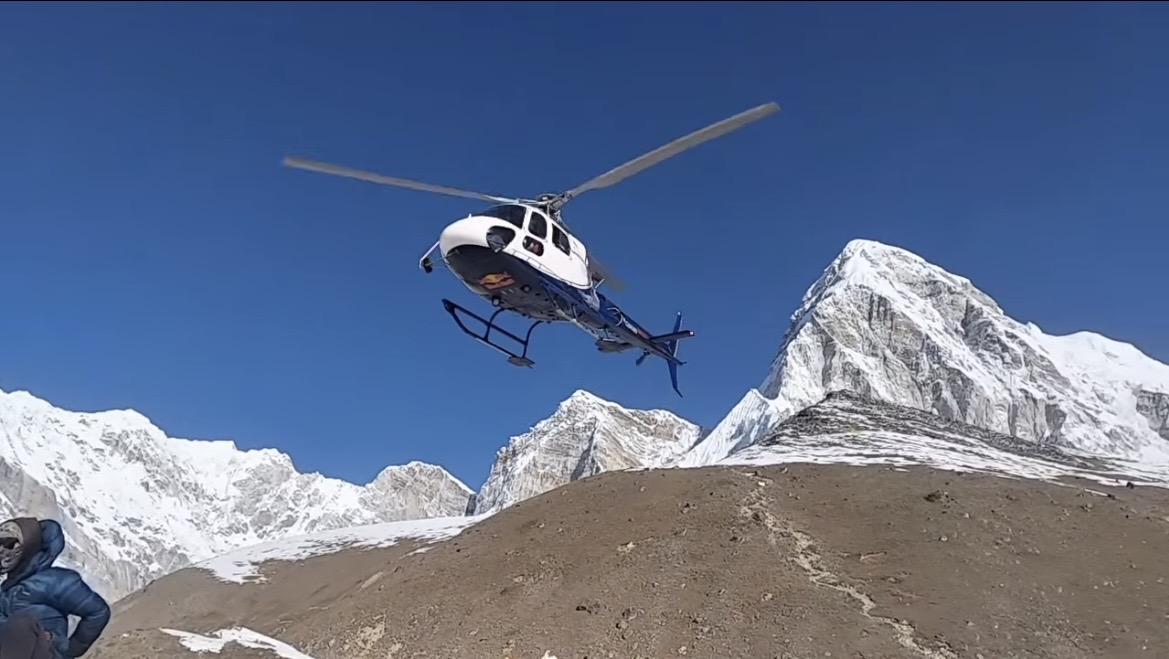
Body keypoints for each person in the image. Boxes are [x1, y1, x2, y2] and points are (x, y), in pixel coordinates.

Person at [0, 518, 110, 659]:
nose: (1, 550)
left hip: (45, 653)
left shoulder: (57, 581)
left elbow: (98, 612)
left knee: (22, 624)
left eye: (8, 543)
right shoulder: (5, 591)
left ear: (28, 546)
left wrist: (69, 650)